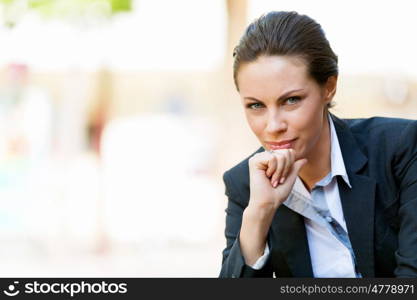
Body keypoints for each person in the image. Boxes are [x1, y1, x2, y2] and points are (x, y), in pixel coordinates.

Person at [219, 11, 417, 278]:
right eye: (256, 105)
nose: (273, 125)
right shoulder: (246, 185)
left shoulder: (399, 149)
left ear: (329, 87)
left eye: (291, 100)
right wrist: (260, 213)